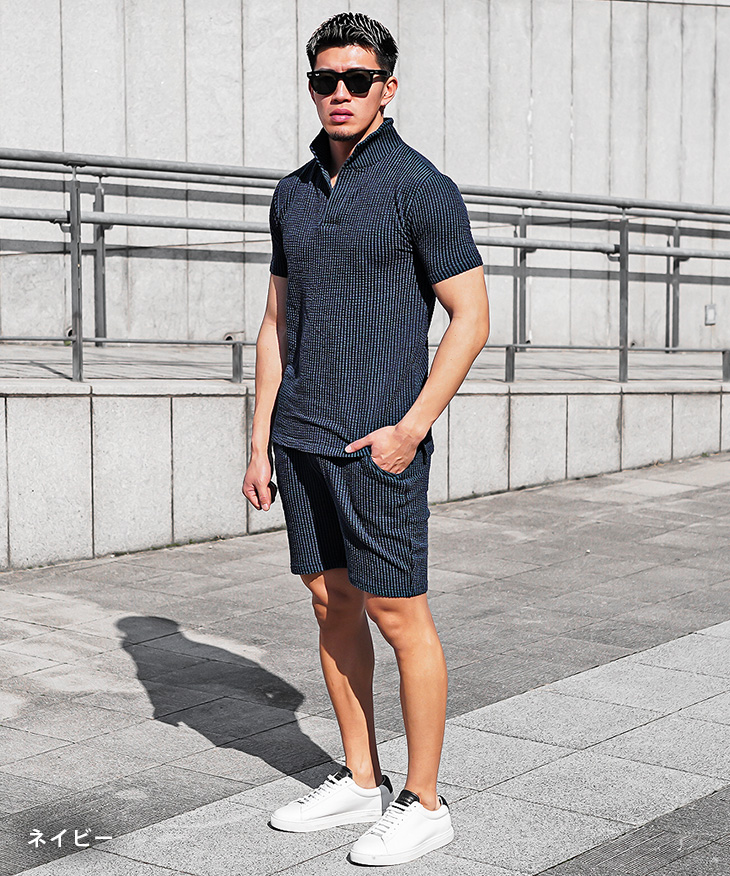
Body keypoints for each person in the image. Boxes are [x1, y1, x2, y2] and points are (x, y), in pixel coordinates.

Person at [242, 11, 490, 867]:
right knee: (330, 602)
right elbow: (275, 321)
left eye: (357, 80)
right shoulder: (293, 191)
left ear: (388, 87)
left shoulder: (421, 186)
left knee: (397, 611)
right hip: (301, 438)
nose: (339, 94)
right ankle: (359, 779)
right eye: (325, 80)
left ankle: (425, 801)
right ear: (312, 86)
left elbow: (471, 318)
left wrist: (410, 429)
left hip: (378, 442)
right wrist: (259, 439)